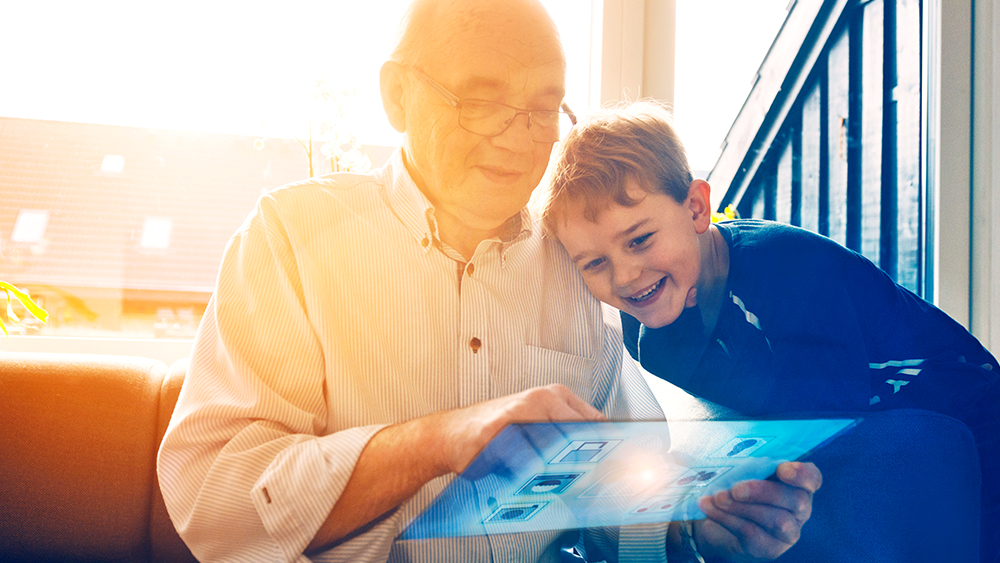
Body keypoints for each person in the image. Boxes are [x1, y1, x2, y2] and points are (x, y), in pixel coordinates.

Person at [157, 3, 823, 562]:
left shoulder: (578, 269)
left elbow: (620, 487)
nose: (521, 136)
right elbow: (215, 494)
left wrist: (699, 526)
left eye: (545, 107)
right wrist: (438, 440)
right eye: (482, 99)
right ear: (397, 96)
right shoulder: (289, 238)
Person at [541, 99, 1000, 561]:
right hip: (876, 432)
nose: (624, 276)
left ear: (697, 210)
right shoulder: (650, 327)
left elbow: (815, 429)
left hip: (972, 412)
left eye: (639, 240)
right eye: (595, 263)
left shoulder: (790, 272)